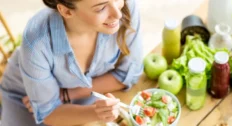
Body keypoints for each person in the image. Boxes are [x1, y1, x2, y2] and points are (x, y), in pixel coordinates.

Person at [0, 0, 143, 125]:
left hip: (80, 94)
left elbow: (130, 73)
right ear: (66, 11)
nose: (118, 14)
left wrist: (68, 94)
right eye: (100, 8)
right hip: (24, 98)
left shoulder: (125, 8)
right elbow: (49, 114)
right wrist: (97, 112)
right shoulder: (36, 42)